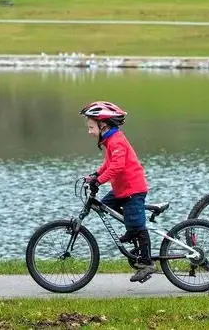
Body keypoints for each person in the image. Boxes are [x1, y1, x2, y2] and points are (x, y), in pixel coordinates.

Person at [81, 100, 156, 283]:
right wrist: (96, 174)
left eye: (91, 127)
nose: (89, 131)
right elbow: (108, 164)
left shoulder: (117, 141)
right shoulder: (109, 141)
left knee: (137, 225)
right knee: (103, 205)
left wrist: (99, 181)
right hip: (121, 189)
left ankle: (147, 263)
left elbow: (117, 167)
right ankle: (131, 227)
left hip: (133, 189)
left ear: (103, 125)